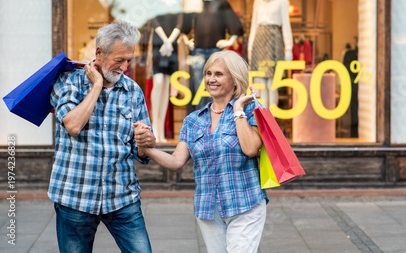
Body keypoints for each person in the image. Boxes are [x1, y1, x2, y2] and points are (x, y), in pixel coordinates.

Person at [140, 50, 268, 253]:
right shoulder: (193, 120)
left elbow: (251, 148)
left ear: (235, 80)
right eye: (208, 73)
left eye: (218, 74)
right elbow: (176, 162)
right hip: (208, 209)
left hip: (245, 203)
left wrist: (238, 110)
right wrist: (146, 149)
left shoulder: (250, 109)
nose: (211, 79)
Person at [49, 20, 156, 252]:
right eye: (120, 60)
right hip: (76, 197)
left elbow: (143, 149)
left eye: (129, 60)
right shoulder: (69, 82)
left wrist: (145, 141)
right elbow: (73, 126)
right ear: (99, 52)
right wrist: (97, 85)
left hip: (122, 197)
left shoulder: (133, 90)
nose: (125, 67)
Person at [186, 0, 244, 112]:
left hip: (216, 52)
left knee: (218, 87)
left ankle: (219, 118)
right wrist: (187, 40)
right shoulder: (196, 3)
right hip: (198, 50)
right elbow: (183, 25)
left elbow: (236, 25)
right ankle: (201, 121)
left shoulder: (221, 2)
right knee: (199, 87)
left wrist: (230, 41)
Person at [248, 0, 293, 107]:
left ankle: (272, 117)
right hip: (260, 40)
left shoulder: (282, 0)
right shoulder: (257, 2)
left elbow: (286, 24)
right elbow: (254, 25)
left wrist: (289, 47)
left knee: (272, 83)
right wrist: (250, 48)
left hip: (274, 39)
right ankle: (264, 118)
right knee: (261, 81)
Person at [149, 13, 182, 143]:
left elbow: (180, 23)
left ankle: (161, 129)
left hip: (172, 44)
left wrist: (169, 42)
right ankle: (155, 127)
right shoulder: (157, 0)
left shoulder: (176, 2)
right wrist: (165, 41)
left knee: (167, 84)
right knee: (158, 82)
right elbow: (153, 20)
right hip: (159, 43)